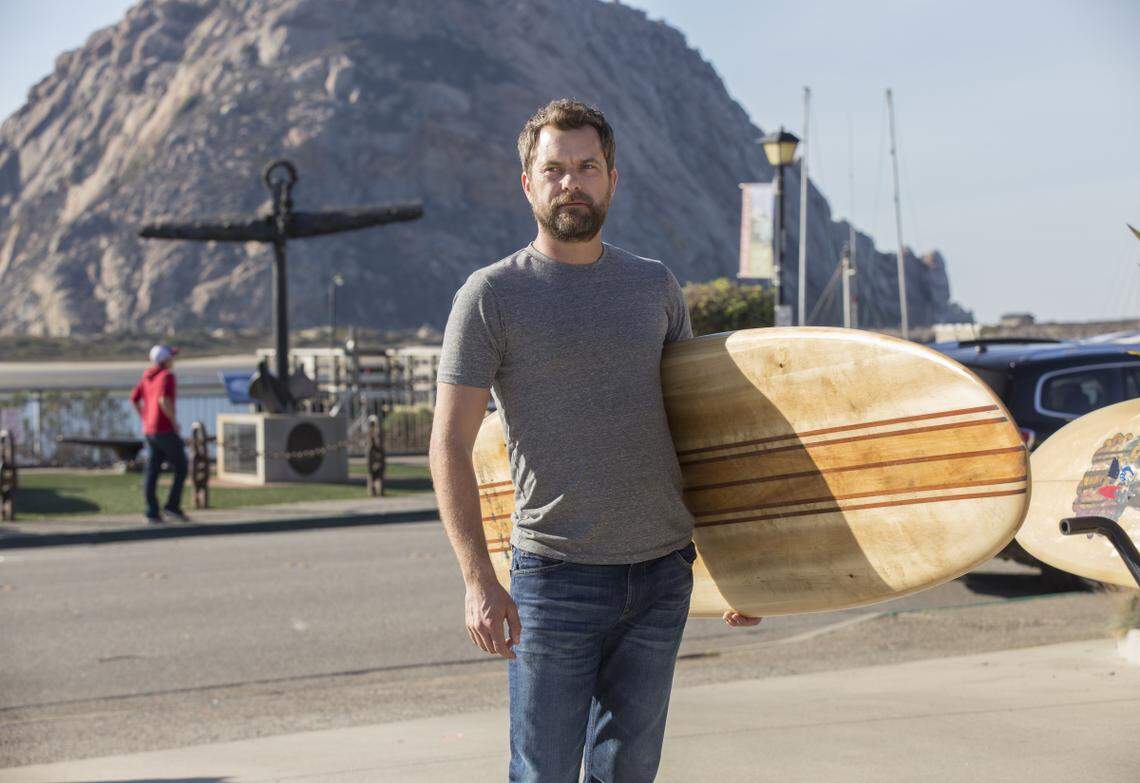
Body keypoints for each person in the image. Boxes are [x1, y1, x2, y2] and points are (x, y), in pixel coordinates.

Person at [430, 99, 759, 783]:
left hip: (663, 574)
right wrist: (478, 581)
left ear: (613, 178)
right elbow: (448, 445)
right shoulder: (491, 296)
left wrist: (736, 566)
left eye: (586, 167)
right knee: (542, 772)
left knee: (628, 774)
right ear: (528, 183)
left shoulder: (655, 287)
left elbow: (698, 433)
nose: (570, 183)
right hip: (554, 579)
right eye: (553, 169)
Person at [129, 344, 189, 524]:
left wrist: (144, 417)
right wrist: (174, 423)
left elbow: (134, 399)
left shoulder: (147, 376)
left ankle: (152, 511)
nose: (174, 360)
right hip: (165, 429)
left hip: (150, 431)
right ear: (165, 360)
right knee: (181, 466)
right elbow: (164, 400)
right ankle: (172, 506)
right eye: (171, 357)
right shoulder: (167, 376)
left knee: (152, 471)